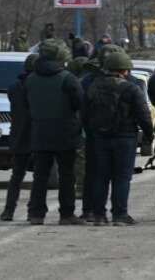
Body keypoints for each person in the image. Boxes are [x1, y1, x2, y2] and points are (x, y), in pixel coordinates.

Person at [81, 52, 154, 226]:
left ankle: (99, 215)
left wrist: (91, 132)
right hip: (125, 138)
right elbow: (144, 116)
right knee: (122, 177)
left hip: (100, 138)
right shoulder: (131, 89)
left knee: (101, 177)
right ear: (126, 70)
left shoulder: (94, 86)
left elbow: (83, 113)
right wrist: (148, 135)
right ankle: (120, 215)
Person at [24, 39, 84, 225]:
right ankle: (66, 214)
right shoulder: (68, 78)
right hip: (65, 131)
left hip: (40, 131)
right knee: (66, 175)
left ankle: (36, 214)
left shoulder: (30, 79)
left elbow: (27, 105)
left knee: (40, 174)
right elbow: (80, 104)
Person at [0, 53, 39, 221]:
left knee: (17, 175)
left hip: (19, 134)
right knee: (39, 176)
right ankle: (33, 211)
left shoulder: (14, 87)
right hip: (37, 134)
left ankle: (9, 210)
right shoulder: (39, 86)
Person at [66, 55, 89, 200]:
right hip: (90, 125)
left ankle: (80, 187)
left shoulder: (73, 82)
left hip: (76, 124)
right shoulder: (92, 80)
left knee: (79, 156)